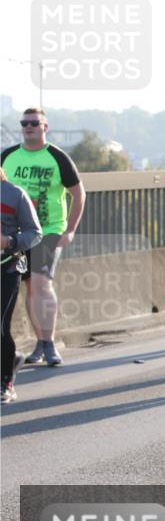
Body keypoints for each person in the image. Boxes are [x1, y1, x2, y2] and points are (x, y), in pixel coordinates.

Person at [1, 108, 85, 366]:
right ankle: (39, 343)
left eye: (34, 123)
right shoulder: (8, 156)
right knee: (28, 286)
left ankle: (48, 344)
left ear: (45, 127)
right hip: (17, 234)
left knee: (40, 282)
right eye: (24, 123)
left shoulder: (57, 157)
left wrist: (69, 230)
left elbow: (78, 194)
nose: (28, 127)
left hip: (48, 231)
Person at [1, 167, 42, 403]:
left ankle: (5, 382)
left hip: (8, 267)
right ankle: (12, 357)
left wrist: (10, 241)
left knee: (0, 325)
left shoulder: (15, 194)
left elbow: (34, 233)